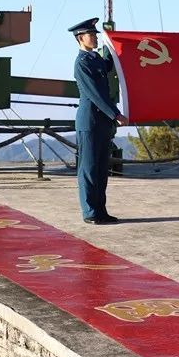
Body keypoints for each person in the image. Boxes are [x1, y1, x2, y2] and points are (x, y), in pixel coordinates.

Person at [69, 18, 127, 224]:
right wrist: (116, 114)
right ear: (80, 38)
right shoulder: (82, 63)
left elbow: (110, 64)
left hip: (102, 122)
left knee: (102, 169)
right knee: (89, 168)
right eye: (91, 35)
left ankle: (100, 210)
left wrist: (114, 42)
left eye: (95, 34)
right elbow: (95, 94)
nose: (95, 38)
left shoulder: (95, 59)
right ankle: (90, 211)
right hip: (90, 121)